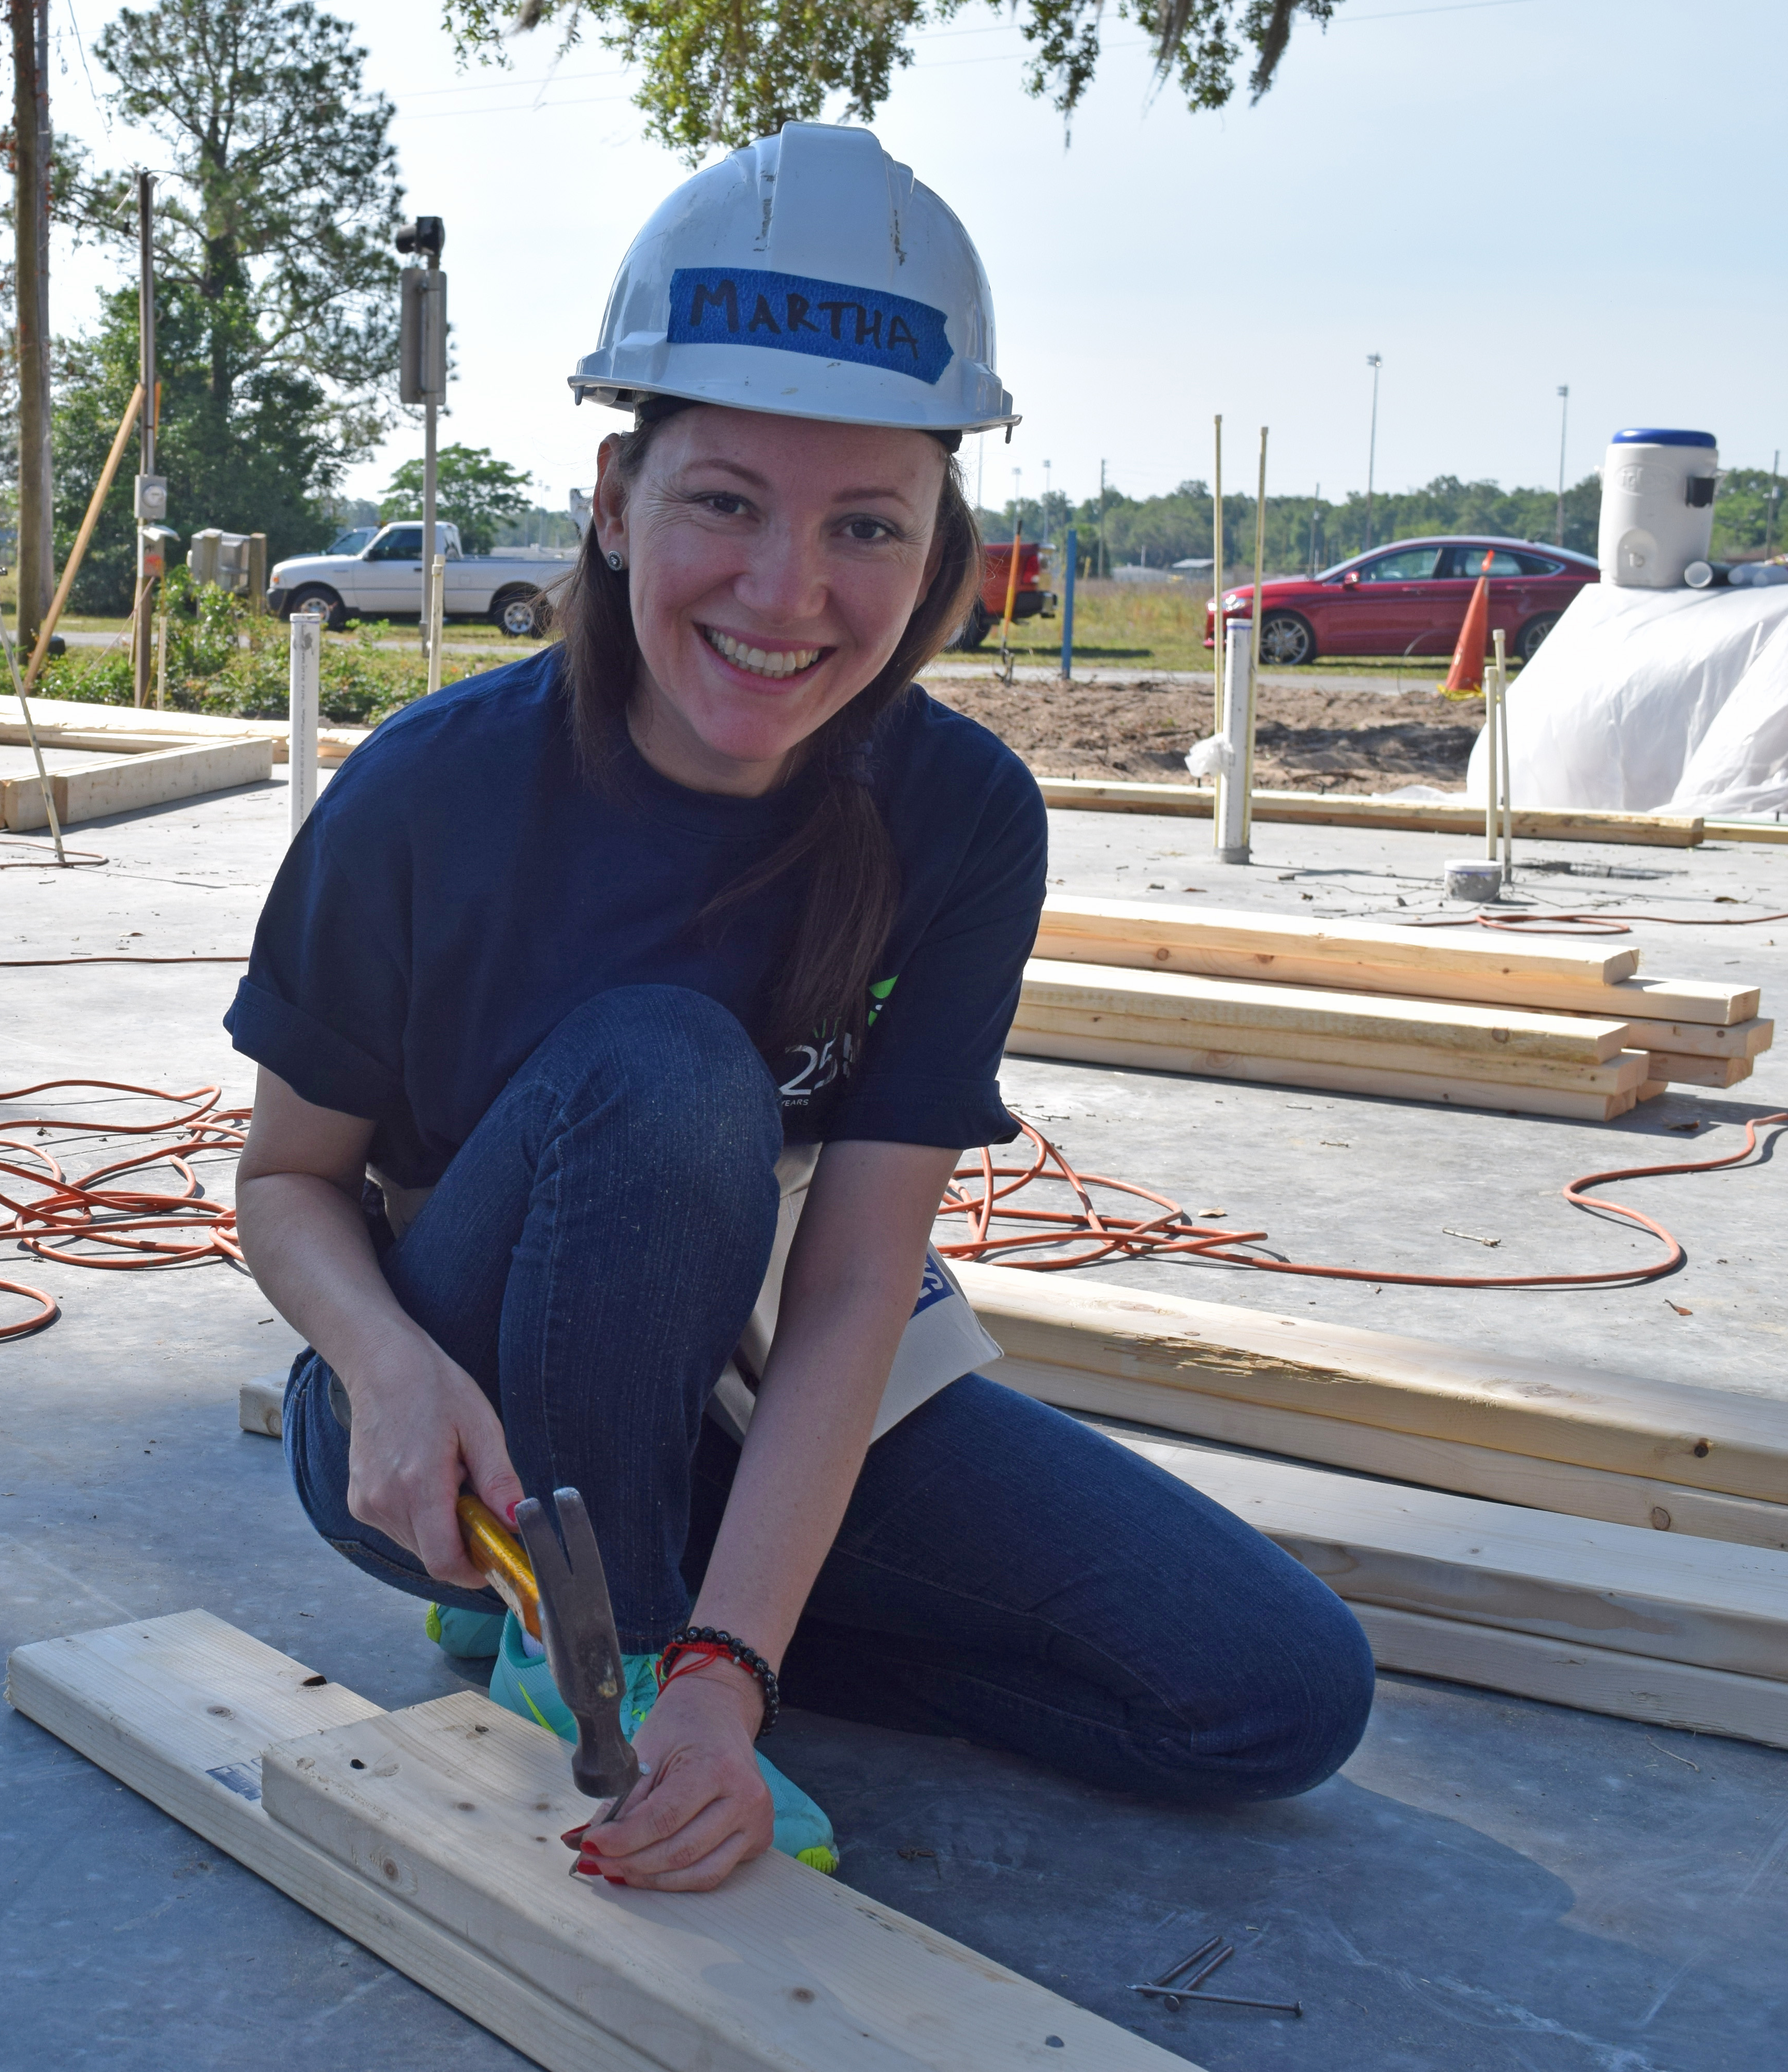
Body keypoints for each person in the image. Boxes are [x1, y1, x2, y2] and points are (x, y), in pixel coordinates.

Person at [228, 125, 1375, 1898]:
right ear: (615, 504)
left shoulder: (961, 816)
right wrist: (383, 1375)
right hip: (453, 1406)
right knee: (671, 1061)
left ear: (941, 555)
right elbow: (284, 1184)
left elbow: (850, 1287)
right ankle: (572, 1640)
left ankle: (685, 1632)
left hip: (758, 1363)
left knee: (1271, 1700)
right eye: (724, 503)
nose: (787, 592)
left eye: (865, 526)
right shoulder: (431, 792)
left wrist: (734, 1670)